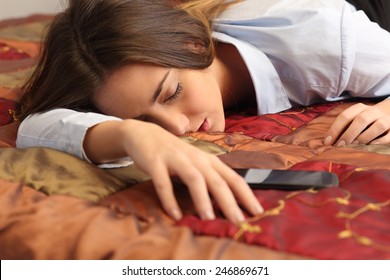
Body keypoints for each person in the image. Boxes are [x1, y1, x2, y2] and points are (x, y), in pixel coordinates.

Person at [16, 0, 390, 224]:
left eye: (171, 93)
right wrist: (131, 135)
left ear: (194, 46)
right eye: (145, 119)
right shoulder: (120, 81)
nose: (176, 127)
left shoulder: (330, 44)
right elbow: (35, 125)